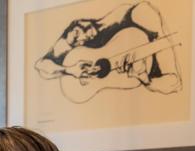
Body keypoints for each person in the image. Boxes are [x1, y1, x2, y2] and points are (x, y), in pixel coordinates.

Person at [34, 1, 181, 97]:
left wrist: (145, 79)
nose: (81, 39)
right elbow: (41, 65)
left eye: (77, 33)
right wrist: (68, 70)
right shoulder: (74, 39)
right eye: (76, 41)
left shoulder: (135, 14)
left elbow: (174, 83)